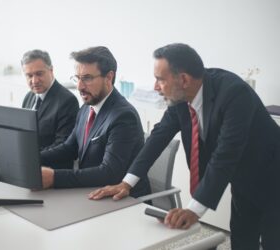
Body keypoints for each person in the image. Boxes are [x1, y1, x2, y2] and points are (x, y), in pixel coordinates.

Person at [89, 43, 280, 249]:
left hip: (273, 179)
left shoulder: (235, 93)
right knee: (242, 241)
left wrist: (194, 210)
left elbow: (225, 154)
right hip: (243, 181)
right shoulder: (181, 98)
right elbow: (158, 137)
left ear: (184, 79)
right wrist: (126, 183)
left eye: (160, 79)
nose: (155, 86)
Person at [39, 46, 150, 198]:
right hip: (91, 194)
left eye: (87, 78)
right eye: (77, 78)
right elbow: (68, 148)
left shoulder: (123, 116)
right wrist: (33, 158)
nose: (79, 86)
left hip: (124, 202)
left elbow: (109, 173)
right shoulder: (87, 107)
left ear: (109, 78)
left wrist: (54, 178)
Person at [21, 50, 79, 167]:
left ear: (51, 71)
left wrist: (30, 158)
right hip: (29, 166)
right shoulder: (29, 96)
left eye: (39, 74)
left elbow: (62, 146)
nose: (34, 81)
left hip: (52, 170)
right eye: (29, 75)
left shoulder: (67, 101)